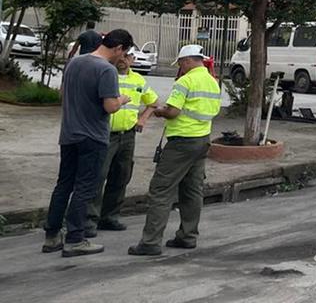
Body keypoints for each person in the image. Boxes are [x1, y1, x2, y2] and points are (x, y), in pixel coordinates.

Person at [42, 29, 134, 257]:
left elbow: (63, 94)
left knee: (63, 184)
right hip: (92, 138)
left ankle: (52, 236)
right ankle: (75, 239)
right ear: (119, 47)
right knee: (85, 188)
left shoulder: (74, 63)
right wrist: (122, 99)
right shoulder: (106, 70)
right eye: (124, 53)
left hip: (69, 134)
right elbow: (110, 106)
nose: (123, 59)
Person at [128, 45, 220, 256]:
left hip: (181, 142)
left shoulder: (185, 81)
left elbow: (173, 112)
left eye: (180, 63)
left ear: (187, 61)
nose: (180, 67)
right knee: (192, 190)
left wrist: (159, 112)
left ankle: (150, 242)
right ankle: (188, 236)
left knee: (161, 189)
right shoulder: (213, 82)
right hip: (202, 140)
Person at [85, 49, 158, 236]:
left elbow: (154, 102)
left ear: (133, 59)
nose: (124, 60)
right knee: (98, 175)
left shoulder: (138, 80)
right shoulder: (107, 74)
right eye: (122, 56)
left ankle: (109, 217)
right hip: (106, 135)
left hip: (128, 135)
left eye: (128, 57)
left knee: (121, 176)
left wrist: (143, 119)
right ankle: (89, 221)